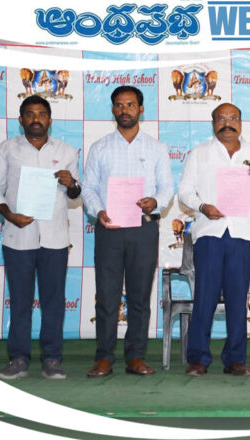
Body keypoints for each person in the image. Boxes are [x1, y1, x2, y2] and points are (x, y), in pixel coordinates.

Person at [178, 103, 250, 377]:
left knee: (237, 298)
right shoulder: (200, 154)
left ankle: (235, 359)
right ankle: (198, 358)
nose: (227, 123)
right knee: (205, 297)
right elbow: (184, 191)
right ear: (213, 123)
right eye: (221, 119)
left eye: (233, 118)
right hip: (210, 232)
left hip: (242, 234)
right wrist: (202, 206)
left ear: (241, 123)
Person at [81, 86, 173, 377]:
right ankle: (104, 357)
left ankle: (135, 356)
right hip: (110, 229)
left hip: (143, 229)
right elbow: (88, 187)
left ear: (141, 109)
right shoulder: (100, 148)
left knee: (139, 296)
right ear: (113, 110)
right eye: (119, 105)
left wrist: (155, 202)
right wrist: (99, 210)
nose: (125, 110)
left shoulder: (156, 148)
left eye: (131, 104)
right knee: (107, 296)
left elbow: (167, 188)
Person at [0, 95, 80, 380]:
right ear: (21, 119)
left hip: (54, 238)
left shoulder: (66, 151)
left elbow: (75, 194)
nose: (36, 119)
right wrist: (9, 214)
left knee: (53, 302)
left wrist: (72, 184)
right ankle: (18, 359)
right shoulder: (6, 150)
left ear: (50, 119)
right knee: (20, 301)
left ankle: (52, 359)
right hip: (18, 236)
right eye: (30, 114)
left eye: (41, 114)